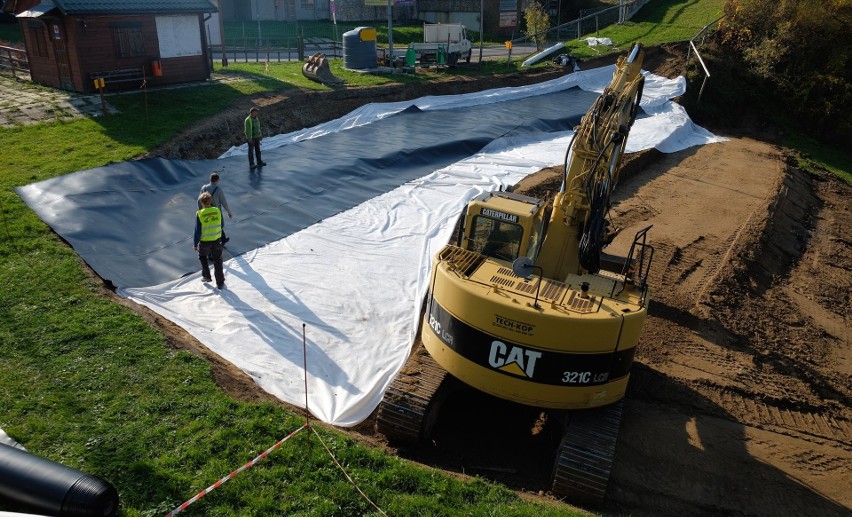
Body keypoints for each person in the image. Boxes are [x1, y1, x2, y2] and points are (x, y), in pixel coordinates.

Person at [193, 192, 226, 290]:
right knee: (218, 260)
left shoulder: (200, 213)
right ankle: (220, 282)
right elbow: (221, 224)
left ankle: (206, 276)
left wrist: (195, 243)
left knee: (203, 256)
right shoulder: (217, 210)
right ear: (210, 201)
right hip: (216, 240)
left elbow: (197, 230)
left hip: (205, 241)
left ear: (201, 203)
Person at [199, 172, 233, 244]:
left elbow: (199, 200)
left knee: (207, 225)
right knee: (219, 224)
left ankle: (223, 239)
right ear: (217, 180)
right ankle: (219, 240)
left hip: (205, 210)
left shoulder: (204, 188)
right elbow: (224, 203)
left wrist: (200, 210)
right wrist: (229, 213)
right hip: (216, 211)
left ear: (210, 179)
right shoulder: (218, 190)